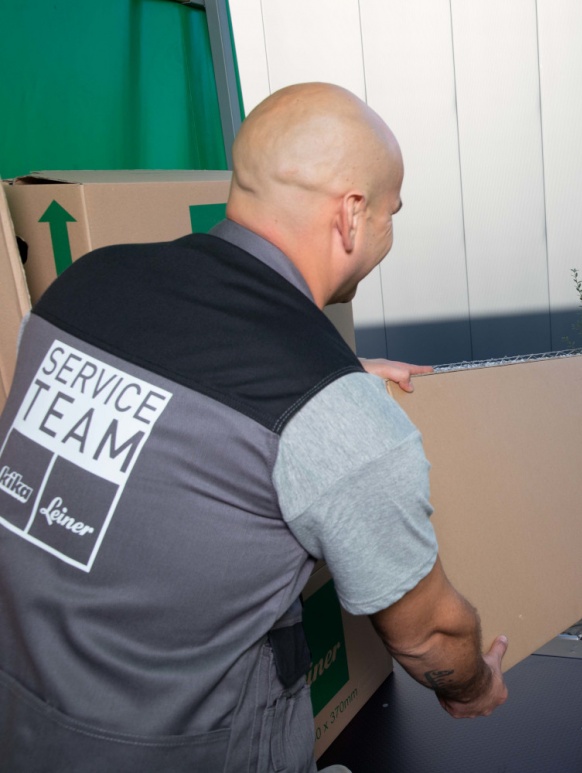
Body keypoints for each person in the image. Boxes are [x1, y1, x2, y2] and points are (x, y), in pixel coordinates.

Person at [0, 83, 506, 772]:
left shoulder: (83, 286)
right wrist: (474, 682)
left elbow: (175, 377)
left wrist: (340, 376)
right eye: (393, 212)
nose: (388, 230)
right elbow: (429, 639)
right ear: (352, 216)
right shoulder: (328, 412)